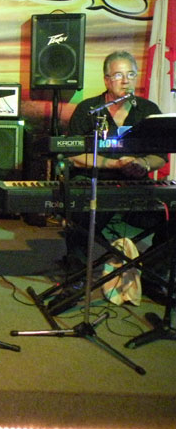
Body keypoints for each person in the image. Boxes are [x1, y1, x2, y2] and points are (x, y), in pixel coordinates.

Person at [64, 50, 168, 301]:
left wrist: (143, 163)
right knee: (79, 211)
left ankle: (153, 276)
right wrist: (111, 164)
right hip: (95, 182)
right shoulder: (89, 109)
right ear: (106, 79)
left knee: (171, 219)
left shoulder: (148, 110)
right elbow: (72, 154)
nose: (126, 81)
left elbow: (161, 156)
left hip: (137, 184)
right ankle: (76, 275)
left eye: (131, 74)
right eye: (119, 75)